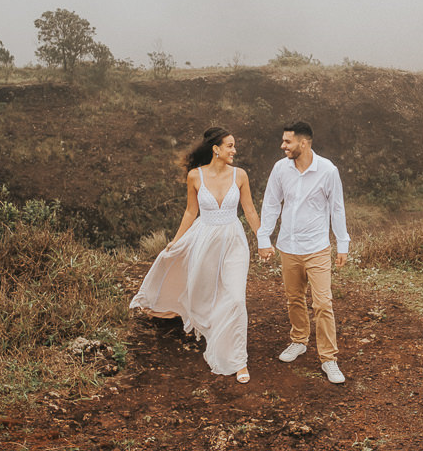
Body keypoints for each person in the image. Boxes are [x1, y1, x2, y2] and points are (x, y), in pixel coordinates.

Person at [130, 127, 260, 384]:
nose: (234, 150)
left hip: (234, 241)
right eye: (230, 146)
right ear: (216, 149)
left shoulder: (241, 175)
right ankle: (203, 323)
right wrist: (176, 242)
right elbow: (191, 213)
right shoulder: (194, 176)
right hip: (205, 240)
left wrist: (263, 241)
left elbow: (250, 211)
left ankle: (238, 360)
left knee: (236, 298)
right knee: (206, 293)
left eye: (234, 146)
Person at [257, 121, 350, 384]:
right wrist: (264, 237)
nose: (282, 146)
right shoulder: (280, 169)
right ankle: (299, 341)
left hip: (317, 248)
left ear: (303, 143)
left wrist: (342, 242)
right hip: (288, 246)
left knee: (322, 303)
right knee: (294, 298)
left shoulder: (328, 170)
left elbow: (337, 208)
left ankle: (329, 359)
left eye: (287, 141)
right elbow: (272, 203)